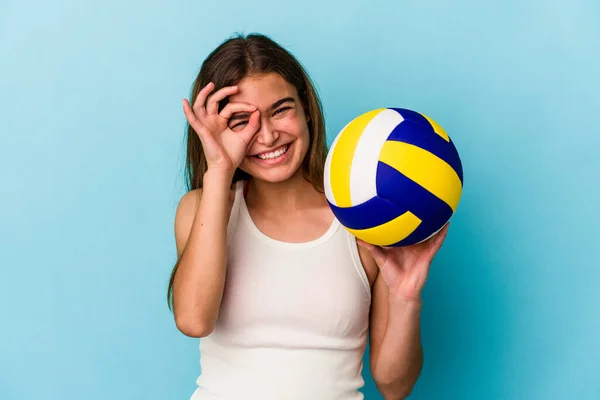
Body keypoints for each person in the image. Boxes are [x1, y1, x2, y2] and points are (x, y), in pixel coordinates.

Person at [167, 33, 449, 400]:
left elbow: (395, 386)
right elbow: (193, 319)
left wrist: (406, 297)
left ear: (306, 111)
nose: (267, 135)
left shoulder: (364, 221)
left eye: (281, 109)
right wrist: (219, 169)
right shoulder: (200, 208)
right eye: (241, 120)